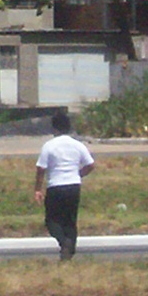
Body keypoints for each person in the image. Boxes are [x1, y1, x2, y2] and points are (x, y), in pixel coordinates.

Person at [34, 110, 95, 261]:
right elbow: (90, 165)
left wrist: (37, 189)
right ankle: (68, 252)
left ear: (54, 128)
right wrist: (78, 174)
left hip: (55, 187)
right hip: (74, 186)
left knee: (52, 221)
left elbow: (41, 168)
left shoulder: (49, 146)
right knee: (70, 221)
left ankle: (64, 243)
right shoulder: (77, 145)